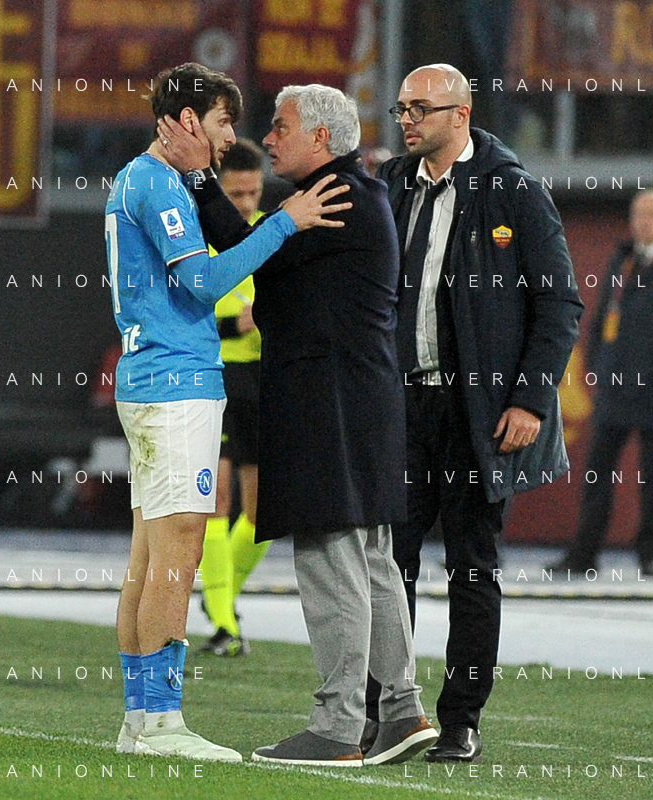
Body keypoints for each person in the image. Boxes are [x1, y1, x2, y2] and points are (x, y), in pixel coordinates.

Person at [158, 83, 437, 767]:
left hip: (327, 404)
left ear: (320, 137)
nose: (268, 138)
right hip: (362, 402)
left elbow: (241, 248)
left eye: (281, 127)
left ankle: (338, 725)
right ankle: (401, 710)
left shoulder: (331, 198)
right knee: (371, 558)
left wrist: (199, 174)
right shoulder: (353, 192)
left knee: (330, 557)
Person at [106, 62, 349, 763]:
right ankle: (162, 722)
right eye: (221, 123)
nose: (226, 138)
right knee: (177, 552)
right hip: (174, 384)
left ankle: (140, 719)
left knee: (149, 557)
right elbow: (204, 279)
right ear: (188, 120)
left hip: (151, 381)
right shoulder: (158, 183)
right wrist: (286, 222)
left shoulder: (138, 179)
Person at [365, 63, 582, 763]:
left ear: (460, 114)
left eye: (420, 109)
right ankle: (384, 711)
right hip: (402, 405)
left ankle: (460, 719)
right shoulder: (392, 186)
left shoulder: (513, 190)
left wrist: (528, 399)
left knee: (471, 566)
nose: (406, 121)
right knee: (386, 564)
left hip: (474, 409)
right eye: (401, 109)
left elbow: (558, 304)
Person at [550, 189, 653, 576]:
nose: (642, 222)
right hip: (615, 385)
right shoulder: (624, 260)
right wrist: (597, 361)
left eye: (651, 215)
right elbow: (602, 316)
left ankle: (648, 554)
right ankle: (584, 553)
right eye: (638, 214)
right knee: (597, 472)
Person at [198, 141, 270, 657]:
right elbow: (185, 306)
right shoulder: (199, 234)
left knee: (263, 514)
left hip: (264, 381)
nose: (245, 204)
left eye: (253, 193)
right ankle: (226, 623)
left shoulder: (274, 232)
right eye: (235, 194)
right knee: (216, 500)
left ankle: (220, 597)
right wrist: (233, 323)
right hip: (215, 378)